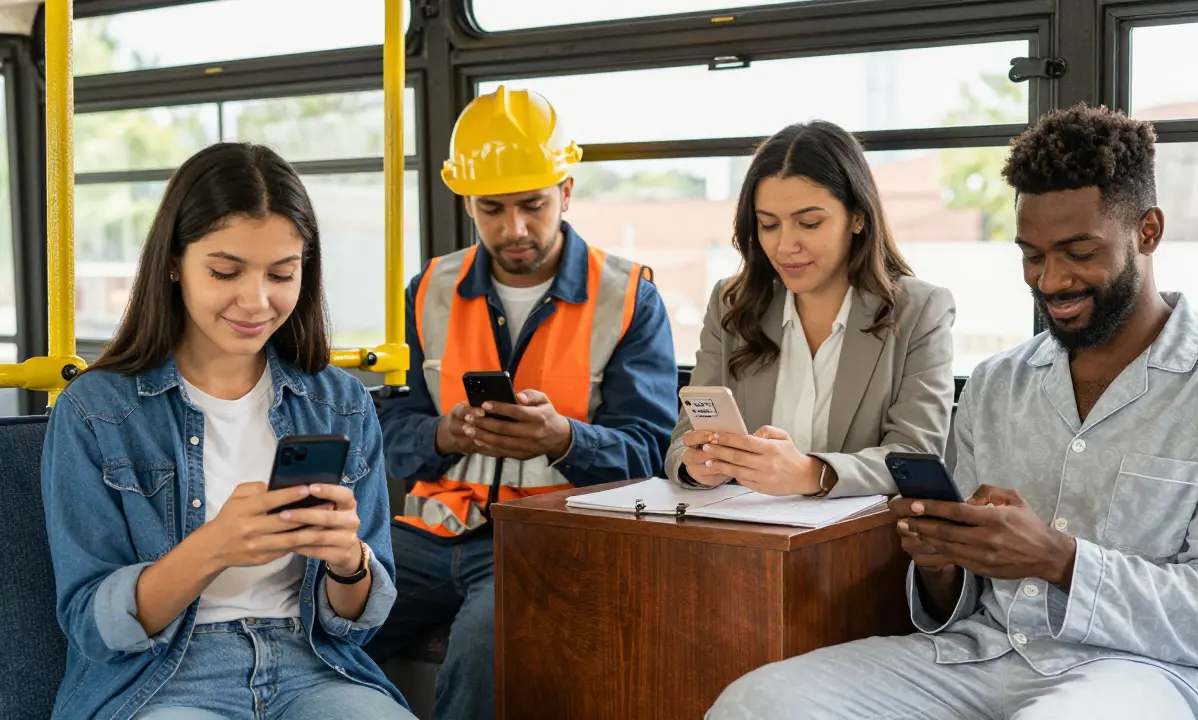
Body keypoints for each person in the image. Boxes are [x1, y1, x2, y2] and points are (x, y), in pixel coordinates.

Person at [707, 105, 1198, 720]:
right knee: (756, 703)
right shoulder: (996, 384)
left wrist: (1059, 559)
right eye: (1032, 254)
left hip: (1145, 674)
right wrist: (940, 564)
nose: (1051, 279)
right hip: (979, 656)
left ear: (1147, 231)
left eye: (1078, 251)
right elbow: (959, 598)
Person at [40, 142, 415, 720]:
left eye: (282, 274)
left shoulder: (339, 403)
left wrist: (350, 560)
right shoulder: (95, 410)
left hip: (310, 665)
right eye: (225, 271)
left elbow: (354, 621)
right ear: (173, 262)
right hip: (159, 678)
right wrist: (213, 548)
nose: (256, 301)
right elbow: (92, 623)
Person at [368, 86, 679, 718]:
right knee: (318, 625)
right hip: (427, 535)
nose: (514, 229)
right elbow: (389, 425)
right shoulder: (428, 289)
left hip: (549, 539)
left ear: (566, 191)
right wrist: (443, 437)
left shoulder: (627, 299)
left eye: (533, 205)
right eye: (493, 209)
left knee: (481, 654)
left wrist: (562, 439)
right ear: (468, 202)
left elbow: (652, 454)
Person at [665, 120, 955, 498]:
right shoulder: (731, 304)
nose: (786, 246)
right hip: (744, 536)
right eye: (769, 225)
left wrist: (812, 473)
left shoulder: (920, 310)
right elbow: (682, 440)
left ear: (857, 216)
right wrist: (696, 465)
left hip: (858, 544)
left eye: (809, 223)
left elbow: (915, 454)